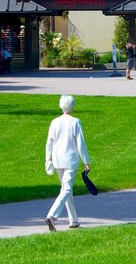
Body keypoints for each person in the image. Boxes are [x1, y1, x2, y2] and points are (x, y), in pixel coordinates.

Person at [44, 94, 91, 231]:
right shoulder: (75, 122)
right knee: (67, 189)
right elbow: (80, 143)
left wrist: (48, 159)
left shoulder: (54, 122)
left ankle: (73, 220)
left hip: (57, 160)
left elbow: (49, 143)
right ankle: (52, 216)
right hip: (70, 160)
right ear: (73, 106)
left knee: (66, 189)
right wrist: (86, 161)